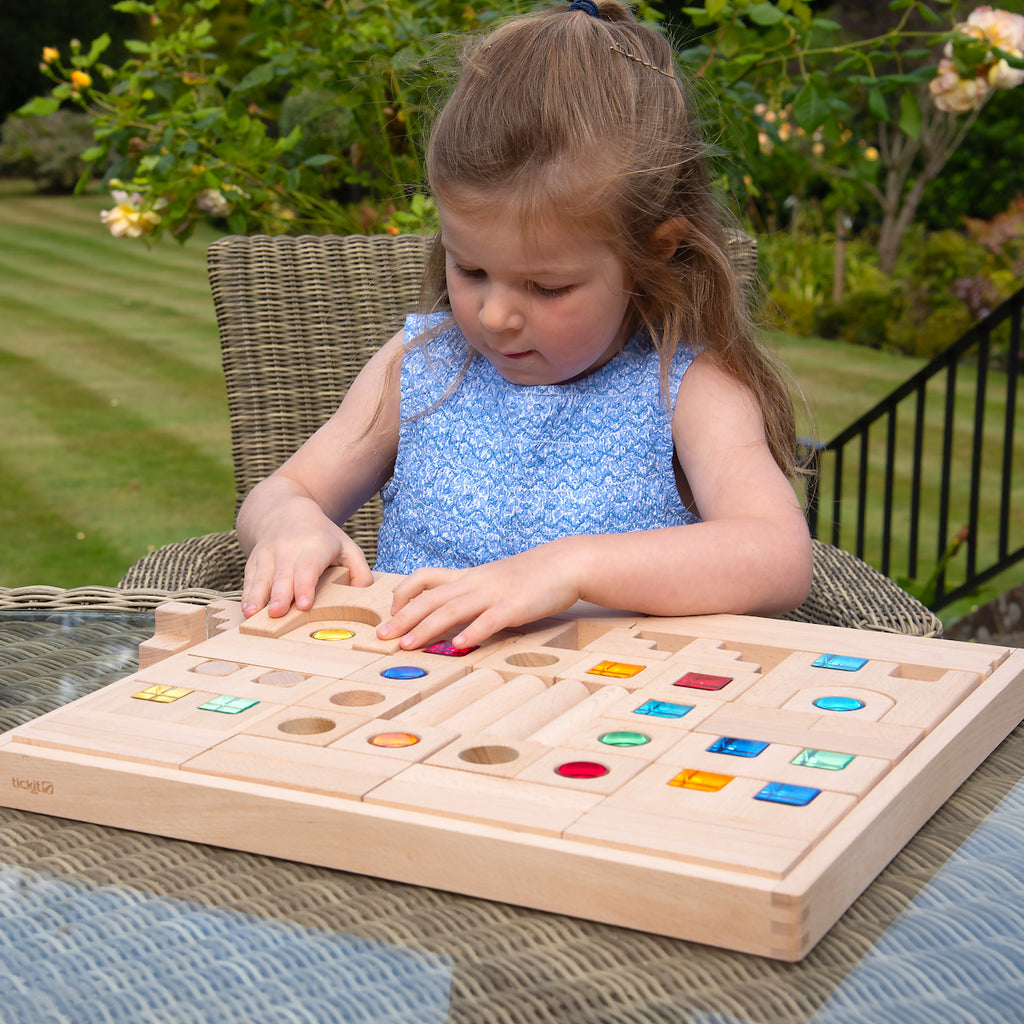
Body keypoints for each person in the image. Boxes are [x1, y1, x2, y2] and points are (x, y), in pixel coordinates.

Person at [237, 0, 813, 651]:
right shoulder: (422, 364)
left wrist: (570, 568)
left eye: (547, 287)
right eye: (471, 269)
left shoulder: (686, 387)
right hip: (403, 707)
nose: (495, 315)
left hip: (609, 721)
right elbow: (282, 490)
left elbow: (777, 555)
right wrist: (288, 521)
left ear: (655, 251)